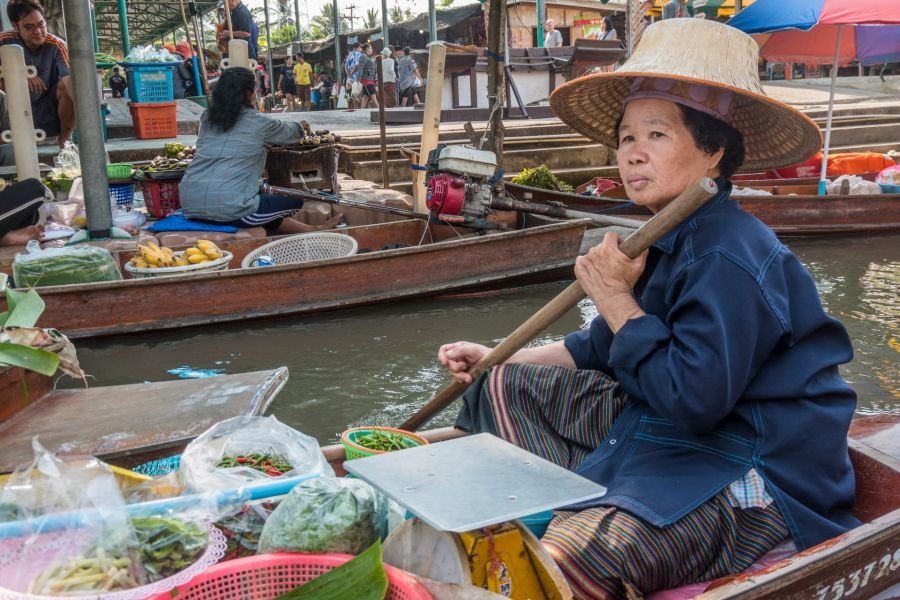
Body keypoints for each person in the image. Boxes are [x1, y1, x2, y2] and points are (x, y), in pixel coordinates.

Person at [439, 18, 858, 599]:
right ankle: (569, 494)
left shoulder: (730, 253)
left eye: (656, 135)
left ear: (713, 150)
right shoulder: (665, 234)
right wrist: (497, 356)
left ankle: (609, 523)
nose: (634, 154)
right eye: (626, 137)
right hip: (665, 425)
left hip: (751, 464)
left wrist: (613, 297)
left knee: (567, 560)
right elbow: (599, 349)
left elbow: (694, 401)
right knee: (500, 386)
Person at [179, 67, 342, 233]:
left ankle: (313, 229)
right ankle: (310, 229)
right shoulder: (259, 122)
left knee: (263, 204)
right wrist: (302, 126)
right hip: (231, 209)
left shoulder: (206, 118)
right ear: (250, 93)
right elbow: (294, 133)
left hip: (189, 204)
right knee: (295, 202)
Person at [0, 0, 73, 148]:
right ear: (15, 26)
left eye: (41, 24)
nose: (38, 31)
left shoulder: (57, 45)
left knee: (70, 87)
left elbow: (70, 84)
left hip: (48, 107)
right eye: (29, 27)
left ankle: (64, 142)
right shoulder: (3, 40)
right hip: (12, 111)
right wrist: (19, 75)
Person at [351, 44, 378, 109]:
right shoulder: (363, 56)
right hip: (366, 81)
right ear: (368, 48)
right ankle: (382, 113)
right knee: (375, 101)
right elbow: (360, 69)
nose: (372, 50)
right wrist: (358, 80)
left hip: (370, 80)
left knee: (366, 97)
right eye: (371, 48)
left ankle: (361, 112)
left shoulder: (369, 57)